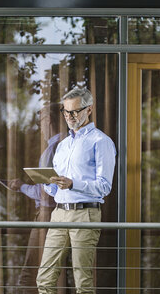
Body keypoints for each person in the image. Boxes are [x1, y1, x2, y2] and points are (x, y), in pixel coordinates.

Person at [36, 88, 116, 294]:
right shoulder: (62, 146)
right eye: (66, 112)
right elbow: (56, 190)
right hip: (59, 213)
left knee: (83, 282)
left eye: (75, 112)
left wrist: (73, 184)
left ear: (89, 110)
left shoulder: (101, 142)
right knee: (44, 279)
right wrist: (47, 182)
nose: (69, 117)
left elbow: (105, 186)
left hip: (85, 214)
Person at [7, 103, 62, 293]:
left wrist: (20, 186)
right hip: (53, 214)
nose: (40, 127)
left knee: (29, 274)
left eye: (42, 121)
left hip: (47, 215)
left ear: (50, 120)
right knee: (47, 272)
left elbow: (45, 193)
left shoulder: (53, 150)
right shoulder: (60, 147)